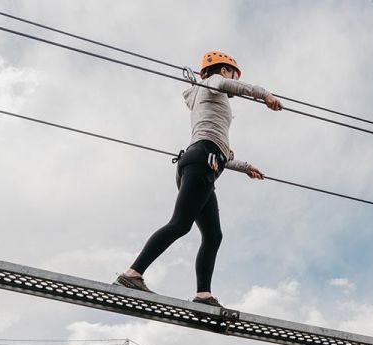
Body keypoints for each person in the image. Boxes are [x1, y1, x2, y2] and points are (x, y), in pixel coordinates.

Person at [114, 50, 283, 306]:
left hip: (203, 162)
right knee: (180, 224)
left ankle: (203, 295)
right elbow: (229, 88)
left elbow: (220, 152)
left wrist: (245, 166)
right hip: (203, 160)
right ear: (223, 69)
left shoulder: (205, 99)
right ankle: (132, 274)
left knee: (213, 235)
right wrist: (265, 95)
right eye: (231, 73)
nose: (231, 81)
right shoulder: (212, 82)